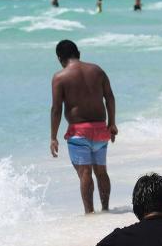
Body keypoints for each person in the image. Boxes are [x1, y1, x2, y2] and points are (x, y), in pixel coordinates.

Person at [49, 39, 118, 214]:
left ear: (59, 58)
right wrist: (112, 123)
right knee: (101, 172)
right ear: (78, 53)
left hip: (79, 133)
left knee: (85, 173)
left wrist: (53, 137)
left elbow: (56, 109)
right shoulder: (97, 70)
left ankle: (90, 214)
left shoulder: (60, 77)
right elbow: (109, 97)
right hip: (101, 130)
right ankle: (106, 209)